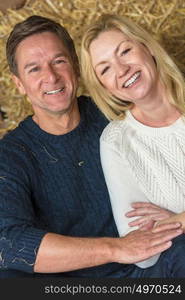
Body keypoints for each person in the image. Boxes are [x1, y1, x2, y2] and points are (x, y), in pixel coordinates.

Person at [0, 15, 184, 279]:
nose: (51, 77)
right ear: (18, 84)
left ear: (76, 67)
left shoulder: (115, 110)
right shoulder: (12, 155)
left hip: (148, 271)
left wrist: (176, 219)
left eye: (59, 61)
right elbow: (8, 242)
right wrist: (115, 249)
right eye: (34, 69)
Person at [81, 13, 185, 268]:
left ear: (147, 47)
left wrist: (176, 221)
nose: (121, 69)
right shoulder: (116, 142)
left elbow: (157, 235)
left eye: (125, 51)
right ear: (104, 87)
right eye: (105, 69)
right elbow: (143, 254)